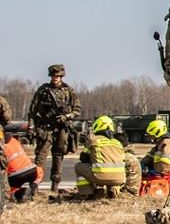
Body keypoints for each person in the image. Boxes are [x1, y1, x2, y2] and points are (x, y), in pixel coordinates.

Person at [28, 64, 81, 196]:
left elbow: (77, 110)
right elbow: (32, 111)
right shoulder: (43, 90)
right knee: (40, 157)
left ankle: (55, 186)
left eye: (58, 76)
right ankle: (35, 186)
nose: (55, 78)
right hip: (45, 128)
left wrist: (67, 116)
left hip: (61, 129)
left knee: (58, 157)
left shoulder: (68, 91)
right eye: (53, 76)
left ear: (61, 76)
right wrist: (31, 127)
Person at [74, 115, 127, 199]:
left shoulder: (93, 140)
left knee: (79, 167)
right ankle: (113, 189)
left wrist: (86, 145)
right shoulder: (118, 143)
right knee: (112, 172)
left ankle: (86, 194)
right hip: (120, 179)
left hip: (100, 177)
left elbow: (83, 158)